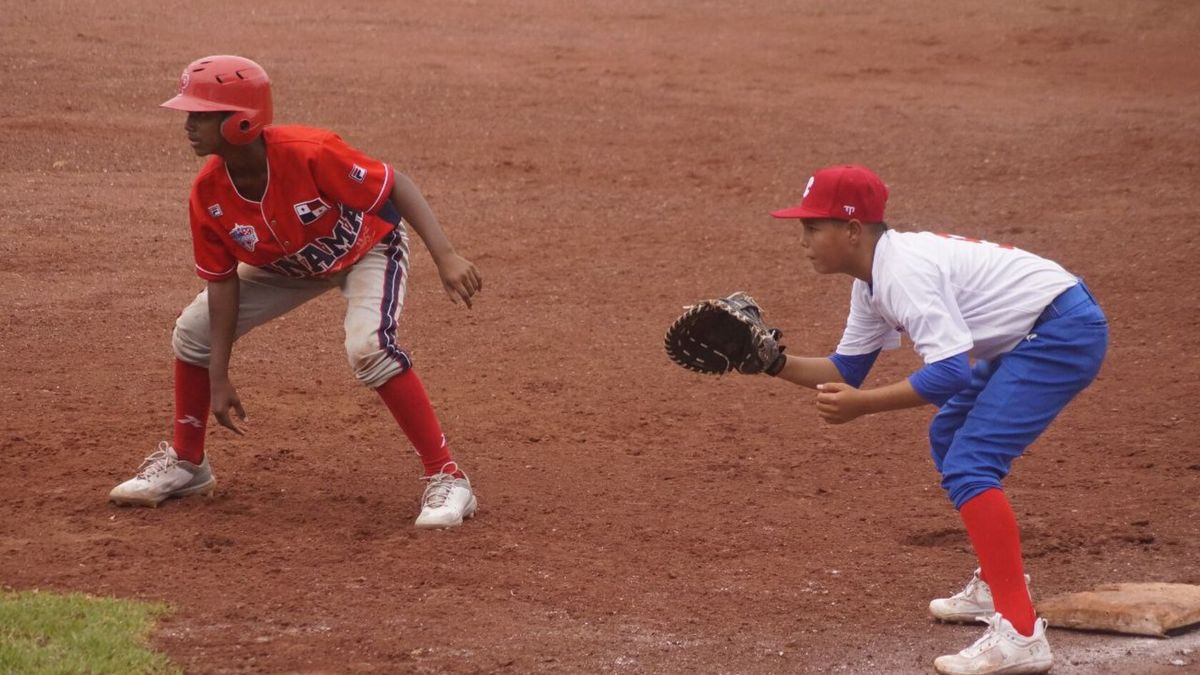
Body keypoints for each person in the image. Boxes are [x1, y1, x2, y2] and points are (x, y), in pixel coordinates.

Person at [109, 55, 483, 529]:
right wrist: (219, 373)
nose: (188, 126)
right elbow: (221, 282)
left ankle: (449, 477)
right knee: (192, 332)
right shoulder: (208, 192)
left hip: (366, 248)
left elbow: (396, 185)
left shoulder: (310, 151)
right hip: (284, 267)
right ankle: (188, 463)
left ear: (242, 120)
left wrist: (445, 255)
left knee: (369, 348)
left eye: (201, 115)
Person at [765, 165, 1107, 674]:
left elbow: (948, 373)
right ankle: (997, 585)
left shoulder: (903, 270)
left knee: (971, 464)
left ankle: (1020, 634)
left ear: (853, 229)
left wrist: (862, 406)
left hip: (1061, 332)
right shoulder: (872, 280)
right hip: (1034, 330)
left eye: (814, 227)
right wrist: (770, 364)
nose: (804, 240)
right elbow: (845, 369)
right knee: (949, 434)